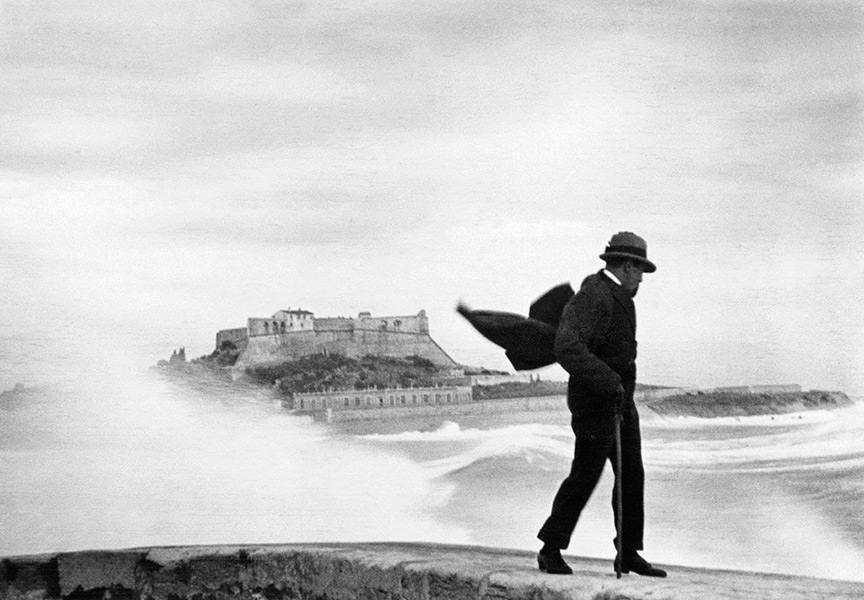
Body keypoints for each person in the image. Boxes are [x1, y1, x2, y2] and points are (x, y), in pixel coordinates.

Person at [536, 231, 667, 578]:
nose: (641, 279)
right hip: (595, 404)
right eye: (640, 271)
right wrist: (609, 380)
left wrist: (620, 391)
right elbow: (567, 347)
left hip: (620, 404)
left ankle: (628, 553)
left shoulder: (619, 296)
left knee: (631, 475)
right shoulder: (594, 294)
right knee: (585, 475)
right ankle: (550, 548)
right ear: (626, 266)